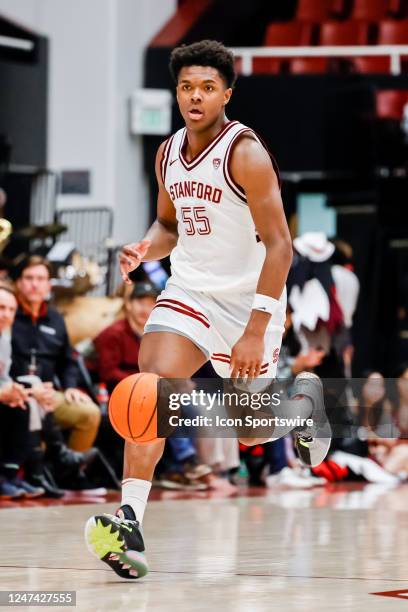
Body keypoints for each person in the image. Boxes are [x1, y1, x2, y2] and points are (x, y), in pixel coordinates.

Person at [85, 40, 331, 579]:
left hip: (249, 304)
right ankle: (129, 523)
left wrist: (254, 330)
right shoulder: (168, 151)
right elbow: (170, 226)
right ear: (177, 92)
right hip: (191, 292)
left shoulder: (245, 153)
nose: (195, 96)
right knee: (149, 388)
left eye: (207, 87)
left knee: (252, 431)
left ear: (226, 94)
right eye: (186, 87)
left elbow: (281, 246)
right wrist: (145, 247)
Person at [11, 256, 101, 452]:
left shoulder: (56, 318)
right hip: (16, 392)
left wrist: (69, 387)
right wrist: (25, 390)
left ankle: (71, 471)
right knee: (32, 424)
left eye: (41, 279)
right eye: (29, 278)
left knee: (90, 413)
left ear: (48, 285)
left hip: (49, 394)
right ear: (18, 282)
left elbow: (68, 360)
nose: (35, 284)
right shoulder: (7, 312)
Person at [0, 284, 45, 499]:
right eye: (1, 308)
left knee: (23, 403)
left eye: (10, 310)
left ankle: (11, 475)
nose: (5, 314)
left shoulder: (4, 342)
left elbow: (4, 377)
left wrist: (13, 389)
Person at [93, 281, 159, 393]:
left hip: (146, 390)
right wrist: (142, 382)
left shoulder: (156, 336)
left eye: (150, 304)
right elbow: (107, 373)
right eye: (141, 303)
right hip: (121, 392)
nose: (145, 309)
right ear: (129, 304)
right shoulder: (113, 333)